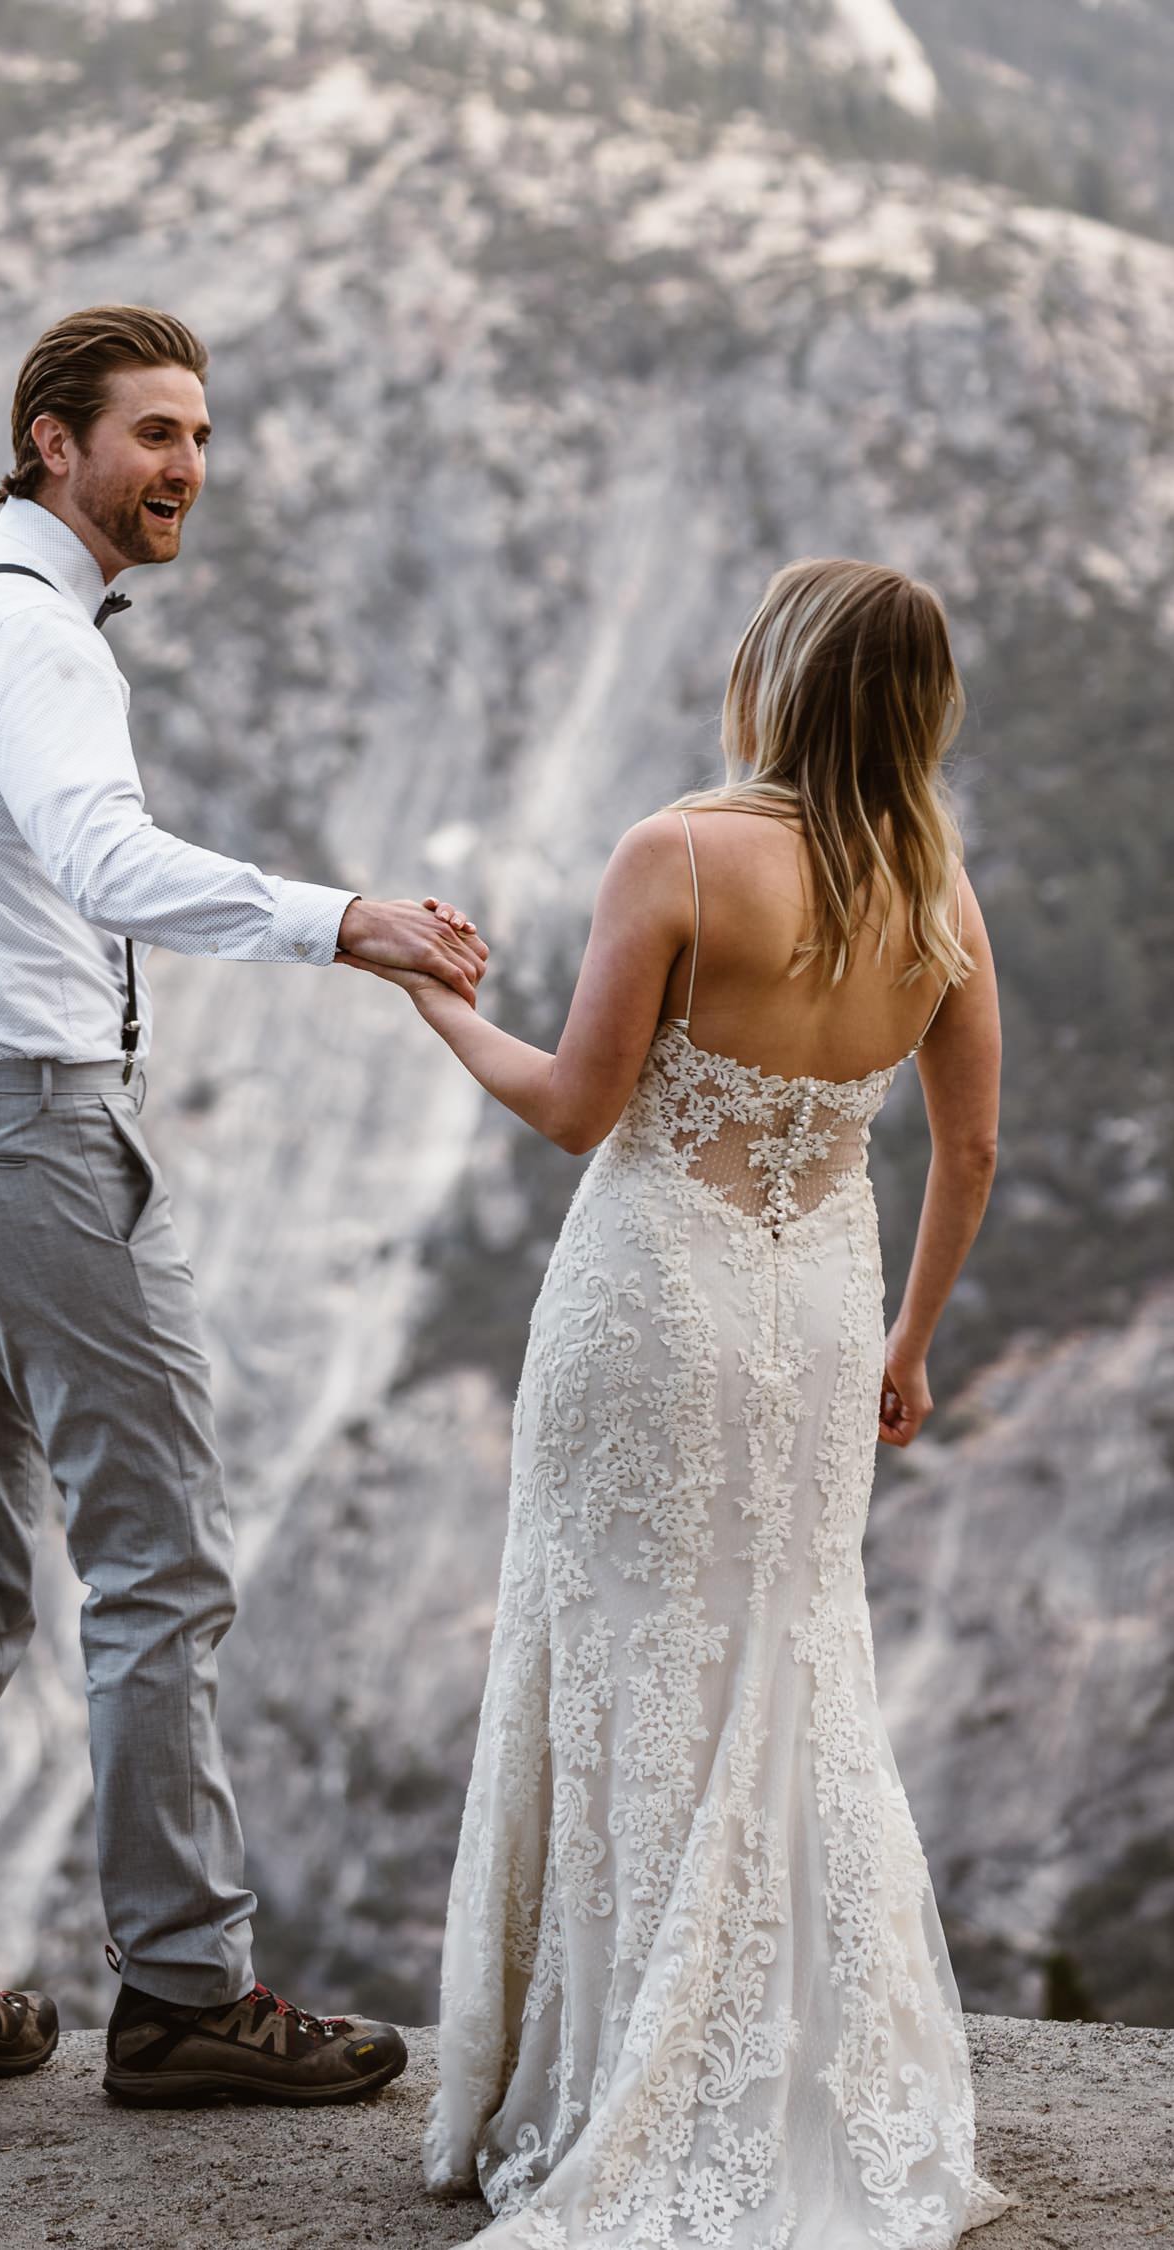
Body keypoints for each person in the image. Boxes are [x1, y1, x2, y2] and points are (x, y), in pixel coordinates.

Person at [0, 303, 486, 2108]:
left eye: (200, 434)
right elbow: (106, 862)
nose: (187, 467)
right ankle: (187, 1992)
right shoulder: (36, 637)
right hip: (29, 1139)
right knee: (157, 1568)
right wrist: (343, 917)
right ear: (53, 440)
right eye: (153, 434)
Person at [346, 559, 1017, 2244]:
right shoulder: (942, 890)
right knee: (792, 1651)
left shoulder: (683, 852)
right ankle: (802, 2060)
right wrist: (914, 1343)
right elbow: (974, 1144)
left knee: (630, 1654)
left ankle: (613, 2075)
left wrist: (441, 1006)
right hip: (816, 1318)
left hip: (650, 1300)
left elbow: (579, 1108)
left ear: (772, 679)